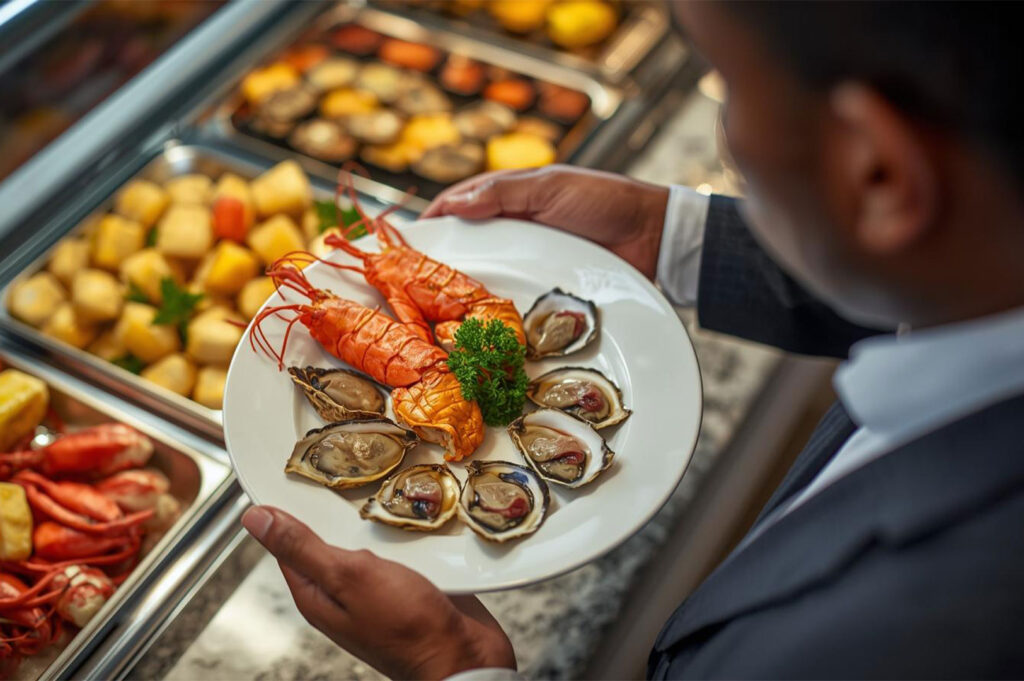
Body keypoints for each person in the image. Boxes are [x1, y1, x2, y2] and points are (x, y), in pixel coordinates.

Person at [241, 2, 1024, 678]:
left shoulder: (933, 627)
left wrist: (453, 669)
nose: (723, 137)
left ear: (880, 171)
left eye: (729, 85)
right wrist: (666, 231)